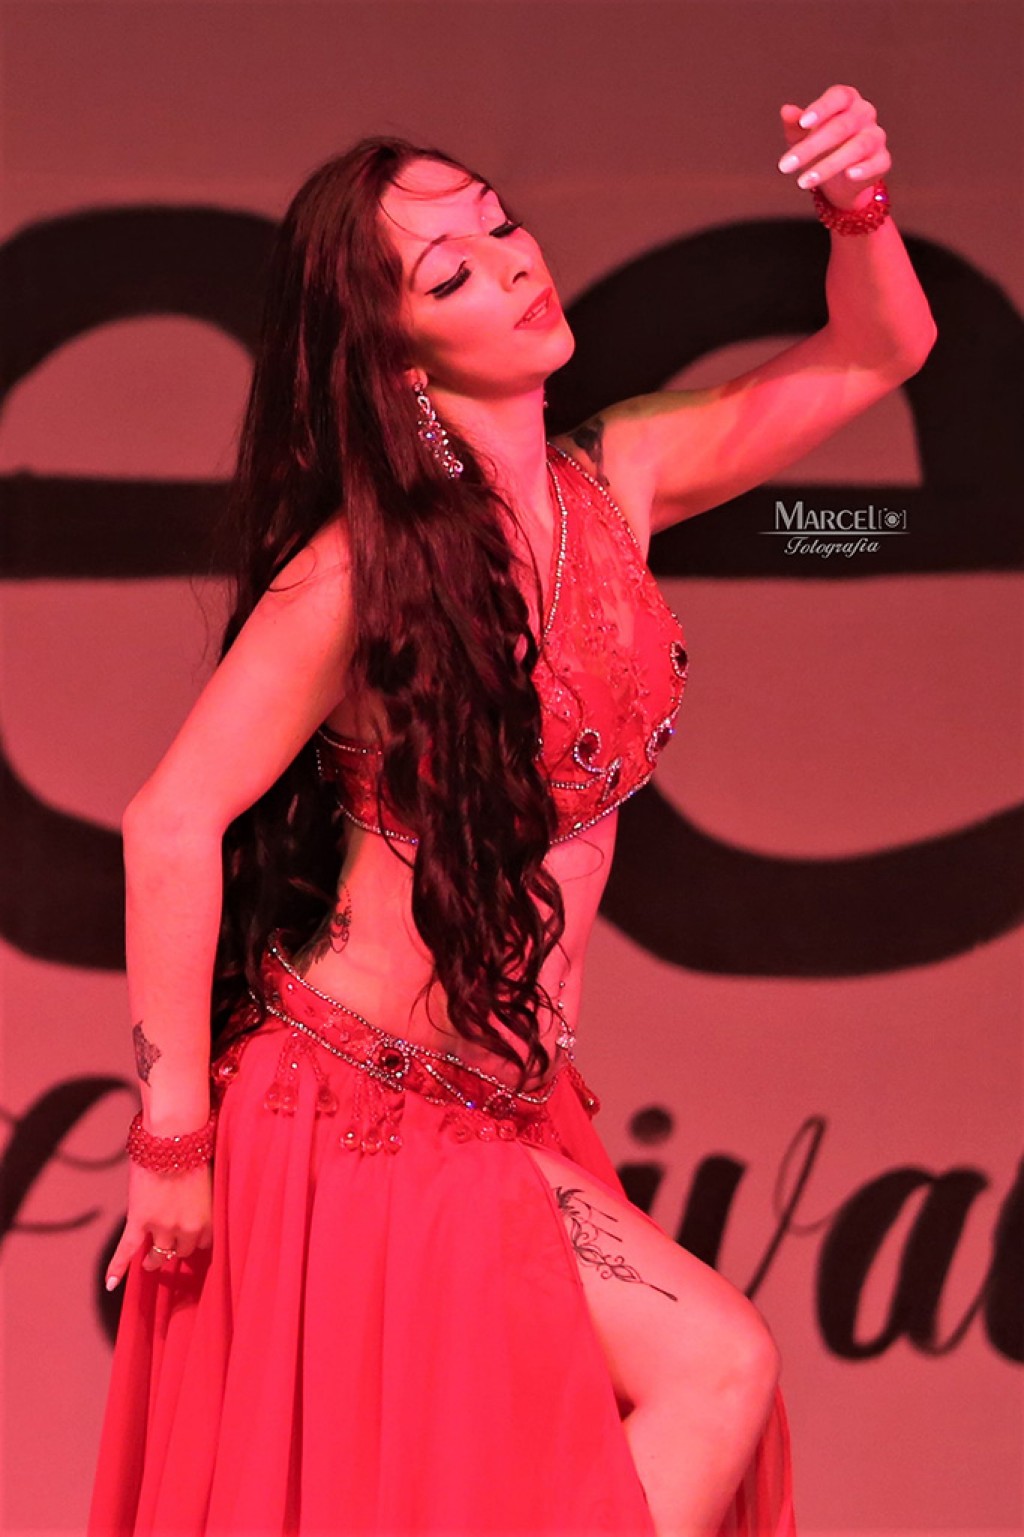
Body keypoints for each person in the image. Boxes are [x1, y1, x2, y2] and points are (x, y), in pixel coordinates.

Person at [88, 90, 936, 1537]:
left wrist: (857, 206)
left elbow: (878, 351)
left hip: (499, 1114)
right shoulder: (360, 569)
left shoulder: (621, 482)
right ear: (397, 352)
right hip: (354, 1115)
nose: (515, 263)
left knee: (552, 1460)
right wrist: (171, 1141)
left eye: (502, 224)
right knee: (715, 1365)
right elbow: (169, 822)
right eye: (451, 273)